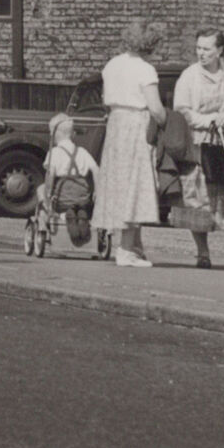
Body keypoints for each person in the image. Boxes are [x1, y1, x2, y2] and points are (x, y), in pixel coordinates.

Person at [92, 23, 166, 267]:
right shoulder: (145, 69)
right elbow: (155, 107)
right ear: (149, 44)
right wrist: (165, 120)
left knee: (118, 184)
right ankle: (126, 251)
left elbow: (106, 98)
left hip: (115, 124)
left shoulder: (112, 64)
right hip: (136, 125)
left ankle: (133, 245)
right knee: (135, 184)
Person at [172, 30, 224, 270]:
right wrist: (207, 120)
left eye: (206, 49)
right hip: (199, 141)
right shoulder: (189, 76)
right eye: (198, 48)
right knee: (200, 198)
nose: (201, 53)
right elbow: (181, 109)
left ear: (220, 51)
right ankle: (202, 252)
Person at [40, 111, 99, 251]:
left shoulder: (54, 153)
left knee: (40, 190)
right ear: (73, 135)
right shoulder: (83, 151)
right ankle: (81, 214)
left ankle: (61, 215)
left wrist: (47, 193)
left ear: (54, 135)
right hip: (82, 198)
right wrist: (97, 190)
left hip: (63, 200)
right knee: (80, 204)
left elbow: (51, 174)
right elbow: (96, 170)